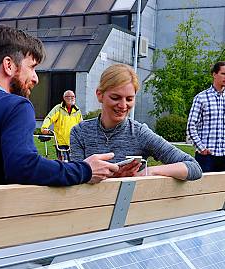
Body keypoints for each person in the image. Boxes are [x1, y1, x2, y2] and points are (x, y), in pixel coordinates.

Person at [0, 26, 118, 189]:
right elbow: (23, 166)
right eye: (32, 67)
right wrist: (85, 170)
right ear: (9, 65)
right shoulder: (16, 106)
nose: (35, 78)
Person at [70, 64, 203, 181]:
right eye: (115, 98)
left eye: (129, 99)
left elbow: (194, 167)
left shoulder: (140, 133)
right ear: (100, 95)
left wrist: (148, 172)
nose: (123, 105)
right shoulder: (80, 132)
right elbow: (75, 178)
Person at [186, 61, 225, 173]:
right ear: (214, 74)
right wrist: (201, 148)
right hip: (206, 156)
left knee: (224, 189)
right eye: (223, 73)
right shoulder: (201, 98)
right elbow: (191, 125)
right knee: (203, 189)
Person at [41, 90, 82, 160]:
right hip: (61, 142)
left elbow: (81, 124)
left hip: (73, 141)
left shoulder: (77, 110)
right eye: (68, 96)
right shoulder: (58, 108)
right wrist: (44, 128)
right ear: (64, 98)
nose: (71, 98)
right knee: (63, 161)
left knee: (74, 161)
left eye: (73, 96)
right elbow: (49, 118)